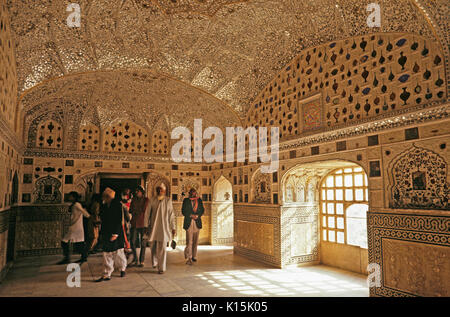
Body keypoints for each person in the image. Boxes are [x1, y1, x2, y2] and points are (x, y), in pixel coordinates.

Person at [96, 187, 127, 282]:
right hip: (106, 232)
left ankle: (122, 269)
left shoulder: (117, 205)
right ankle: (106, 274)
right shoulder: (104, 205)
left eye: (105, 197)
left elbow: (119, 219)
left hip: (116, 233)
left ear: (109, 197)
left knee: (118, 253)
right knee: (106, 253)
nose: (103, 198)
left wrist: (116, 233)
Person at [145, 183, 176, 274]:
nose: (159, 191)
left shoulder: (168, 200)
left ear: (164, 191)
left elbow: (171, 215)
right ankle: (155, 262)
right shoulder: (152, 200)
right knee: (153, 247)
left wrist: (173, 227)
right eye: (158, 189)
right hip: (153, 227)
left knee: (162, 248)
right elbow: (147, 214)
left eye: (161, 190)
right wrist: (146, 225)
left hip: (164, 228)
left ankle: (161, 268)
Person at [58, 191, 90, 265]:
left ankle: (67, 258)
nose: (69, 197)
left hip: (76, 227)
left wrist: (78, 217)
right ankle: (83, 257)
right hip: (75, 227)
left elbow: (86, 214)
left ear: (74, 197)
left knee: (64, 242)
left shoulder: (77, 204)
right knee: (79, 243)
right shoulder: (75, 204)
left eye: (70, 196)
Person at [182, 188, 204, 265]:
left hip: (197, 222)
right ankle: (189, 258)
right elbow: (183, 211)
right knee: (189, 241)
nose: (193, 194)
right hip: (189, 222)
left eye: (194, 192)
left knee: (195, 241)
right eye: (191, 192)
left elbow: (202, 210)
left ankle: (194, 256)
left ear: (196, 193)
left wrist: (198, 216)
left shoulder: (199, 200)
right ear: (189, 193)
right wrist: (190, 215)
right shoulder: (186, 200)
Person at [129, 186, 150, 267]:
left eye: (138, 191)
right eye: (136, 191)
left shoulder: (146, 200)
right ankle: (135, 259)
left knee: (143, 243)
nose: (136, 192)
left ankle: (142, 260)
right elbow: (130, 210)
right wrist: (137, 211)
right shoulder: (134, 199)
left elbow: (144, 210)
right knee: (132, 241)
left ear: (142, 192)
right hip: (134, 223)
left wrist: (136, 211)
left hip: (143, 223)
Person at [120, 189, 132, 254]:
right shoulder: (122, 205)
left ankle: (126, 246)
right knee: (125, 232)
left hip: (124, 220)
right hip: (123, 220)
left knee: (126, 232)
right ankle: (126, 246)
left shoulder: (129, 199)